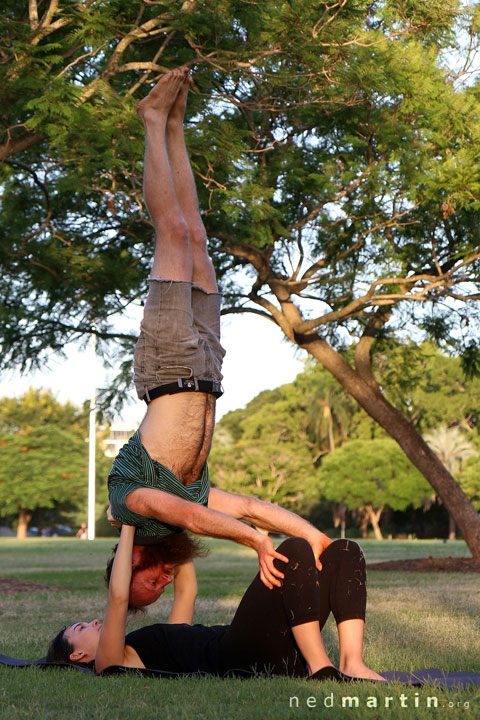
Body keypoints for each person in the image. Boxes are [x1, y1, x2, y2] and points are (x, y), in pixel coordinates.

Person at [107, 65, 331, 603]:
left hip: (166, 365)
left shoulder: (125, 505)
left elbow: (183, 512)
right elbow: (250, 506)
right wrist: (310, 533)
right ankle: (176, 125)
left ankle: (152, 118)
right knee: (199, 241)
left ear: (125, 567)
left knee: (174, 232)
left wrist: (255, 541)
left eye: (147, 585)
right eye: (160, 588)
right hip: (206, 368)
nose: (160, 581)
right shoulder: (191, 492)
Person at [47, 523, 385, 682]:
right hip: (237, 654)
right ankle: (320, 666)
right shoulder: (111, 662)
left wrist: (169, 519)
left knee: (344, 551)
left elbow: (186, 591)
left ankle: (350, 662)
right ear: (78, 655)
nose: (92, 622)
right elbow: (118, 599)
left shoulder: (159, 641)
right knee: (293, 550)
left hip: (271, 654)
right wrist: (128, 524)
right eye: (81, 628)